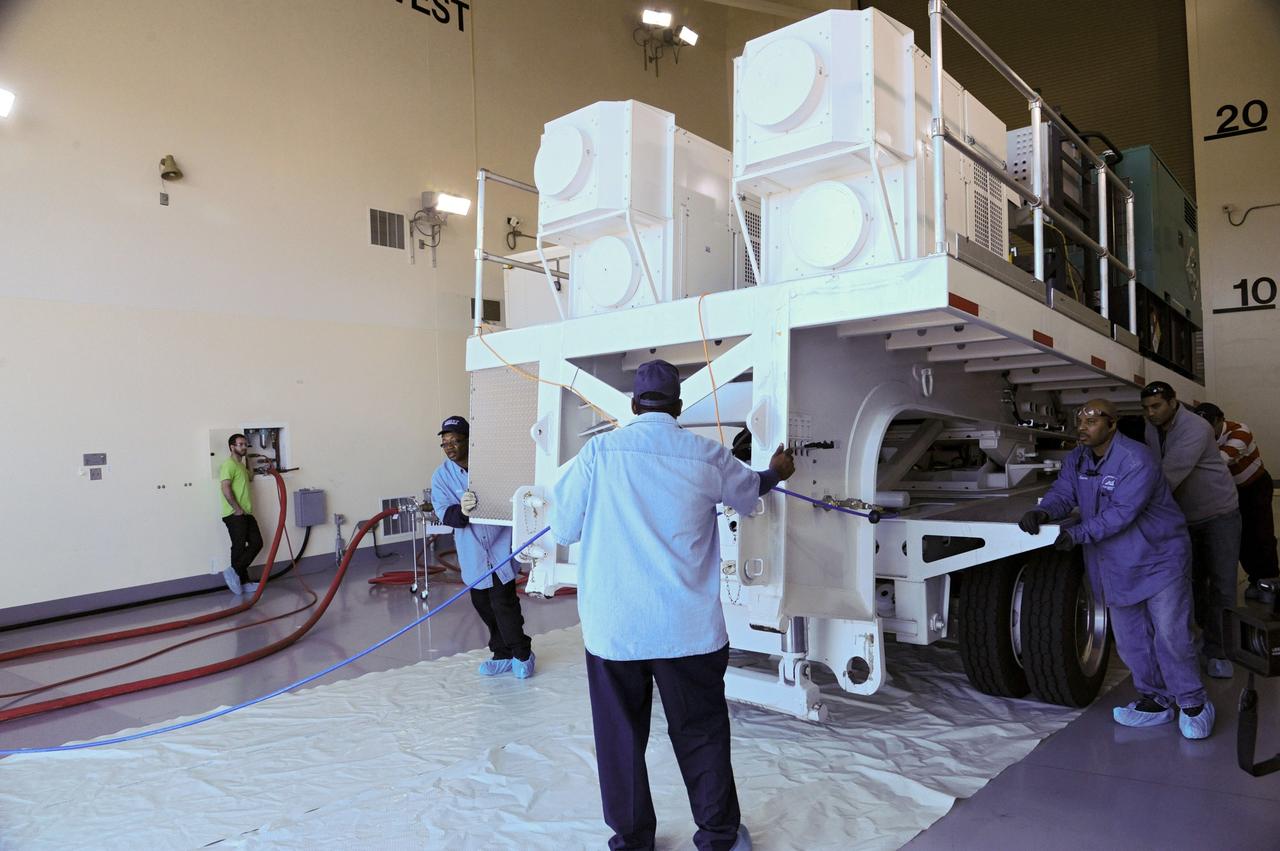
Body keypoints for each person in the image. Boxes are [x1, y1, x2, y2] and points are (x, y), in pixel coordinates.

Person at [551, 359, 796, 851]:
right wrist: (776, 471)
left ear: (634, 405)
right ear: (680, 407)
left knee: (621, 739)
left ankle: (632, 839)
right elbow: (750, 494)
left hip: (615, 630)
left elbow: (563, 530)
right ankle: (719, 837)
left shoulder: (597, 454)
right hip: (688, 630)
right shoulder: (706, 457)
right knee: (701, 732)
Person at [1019, 399, 1214, 739]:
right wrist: (1045, 512)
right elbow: (1064, 492)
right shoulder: (1077, 458)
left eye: (1092, 420)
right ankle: (1156, 700)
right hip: (1114, 565)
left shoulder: (1136, 459)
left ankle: (1193, 702)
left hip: (1158, 560)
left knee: (1171, 635)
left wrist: (1077, 534)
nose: (1083, 426)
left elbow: (1123, 512)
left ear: (1112, 425)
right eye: (1080, 419)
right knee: (1131, 640)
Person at [1140, 382, 1242, 679]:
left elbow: (1168, 475)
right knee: (1193, 582)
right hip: (1185, 518)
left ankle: (1219, 651)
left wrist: (1127, 507)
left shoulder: (1196, 428)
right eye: (1146, 408)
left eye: (1156, 406)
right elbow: (1153, 467)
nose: (1151, 413)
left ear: (1173, 402)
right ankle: (1205, 636)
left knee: (1222, 583)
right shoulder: (1151, 428)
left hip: (1218, 514)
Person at [430, 415, 534, 678]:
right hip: (473, 552)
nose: (450, 446)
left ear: (470, 442)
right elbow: (444, 513)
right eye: (445, 443)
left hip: (499, 548)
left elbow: (514, 499)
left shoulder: (492, 467)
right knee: (483, 605)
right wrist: (461, 511)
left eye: (455, 440)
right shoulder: (442, 476)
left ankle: (522, 653)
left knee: (503, 603)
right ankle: (501, 654)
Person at [1192, 402, 1279, 600]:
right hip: (1230, 491)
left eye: (1209, 425)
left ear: (1220, 420)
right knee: (1239, 536)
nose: (1205, 430)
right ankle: (1254, 579)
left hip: (1255, 487)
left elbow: (1220, 461)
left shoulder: (1240, 431)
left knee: (1261, 534)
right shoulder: (1202, 437)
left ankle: (1270, 580)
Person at [219, 433, 262, 596]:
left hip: (246, 513)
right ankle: (240, 580)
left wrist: (249, 461)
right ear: (232, 447)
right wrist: (236, 508)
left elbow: (250, 477)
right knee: (238, 546)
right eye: (240, 444)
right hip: (234, 513)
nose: (244, 447)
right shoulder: (228, 465)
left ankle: (235, 572)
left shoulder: (240, 466)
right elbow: (225, 488)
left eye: (245, 444)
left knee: (257, 542)